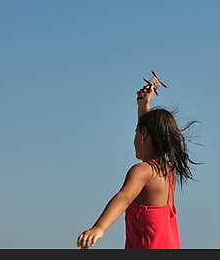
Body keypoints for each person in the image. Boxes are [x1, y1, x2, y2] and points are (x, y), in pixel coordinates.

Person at [77, 82, 198, 249]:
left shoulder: (142, 172)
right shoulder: (167, 173)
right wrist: (144, 104)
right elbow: (147, 129)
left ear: (143, 135)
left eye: (136, 132)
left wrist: (99, 228)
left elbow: (125, 197)